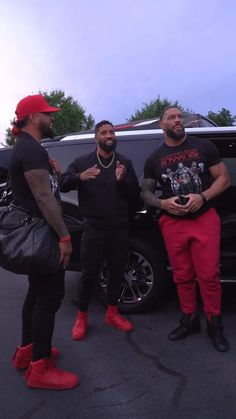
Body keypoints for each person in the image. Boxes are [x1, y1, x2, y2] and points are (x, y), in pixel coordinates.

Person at [142, 106, 230, 352]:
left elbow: (224, 178)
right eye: (172, 117)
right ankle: (189, 319)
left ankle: (215, 324)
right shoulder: (154, 158)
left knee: (209, 275)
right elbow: (146, 192)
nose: (178, 120)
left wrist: (202, 196)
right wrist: (162, 203)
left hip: (204, 218)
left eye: (181, 117)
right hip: (173, 222)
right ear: (162, 125)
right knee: (182, 276)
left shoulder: (204, 147)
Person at [9, 94, 79, 389]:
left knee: (36, 294)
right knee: (48, 298)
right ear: (34, 117)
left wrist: (55, 172)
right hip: (43, 234)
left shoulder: (28, 148)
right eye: (48, 114)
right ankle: (40, 367)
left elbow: (41, 188)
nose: (52, 118)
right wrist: (64, 236)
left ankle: (26, 351)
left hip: (37, 233)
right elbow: (43, 198)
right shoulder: (31, 150)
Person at [60, 120, 140, 340]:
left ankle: (112, 313)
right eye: (104, 132)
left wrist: (122, 181)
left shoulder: (124, 162)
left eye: (112, 132)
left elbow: (135, 194)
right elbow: (62, 184)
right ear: (96, 137)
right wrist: (79, 177)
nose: (109, 135)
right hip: (94, 227)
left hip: (119, 226)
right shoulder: (82, 162)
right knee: (88, 274)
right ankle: (82, 316)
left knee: (117, 271)